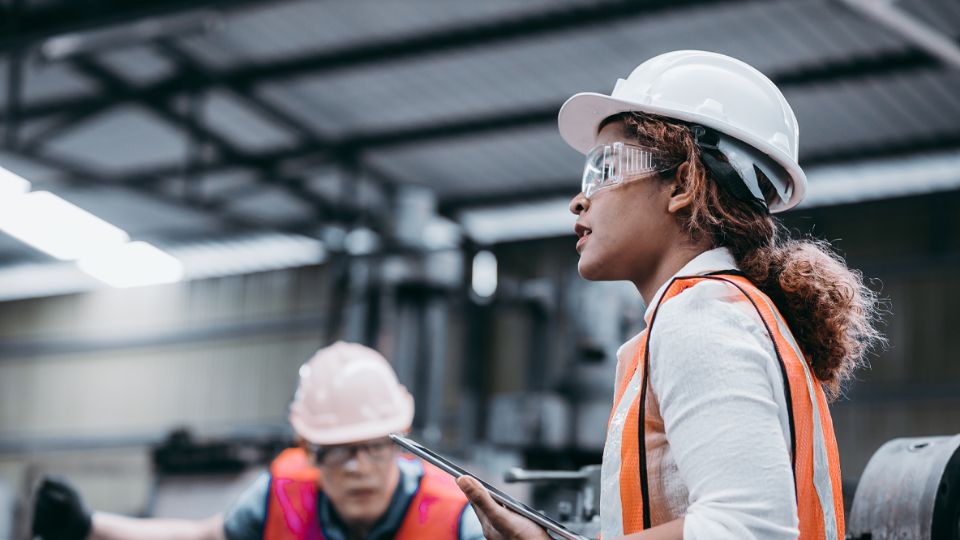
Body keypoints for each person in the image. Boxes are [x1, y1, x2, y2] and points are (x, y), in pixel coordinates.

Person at [458, 50, 885, 540]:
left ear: (682, 183)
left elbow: (747, 529)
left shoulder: (701, 316)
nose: (580, 198)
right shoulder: (728, 311)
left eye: (606, 169)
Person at [33, 341, 484, 540]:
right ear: (308, 452)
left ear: (402, 442)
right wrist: (86, 527)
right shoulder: (279, 499)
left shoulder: (456, 518)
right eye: (339, 451)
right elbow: (200, 537)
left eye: (375, 446)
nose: (358, 467)